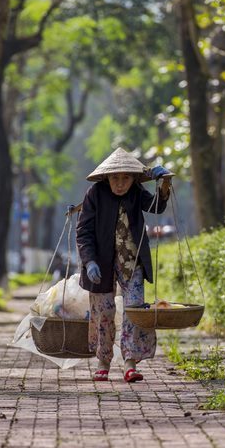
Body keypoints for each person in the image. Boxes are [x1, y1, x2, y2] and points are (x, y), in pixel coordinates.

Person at [76, 147, 172, 383]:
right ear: (107, 177)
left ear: (133, 178)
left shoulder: (137, 192)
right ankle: (103, 361)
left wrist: (165, 183)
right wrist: (89, 262)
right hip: (101, 264)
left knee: (134, 312)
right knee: (105, 312)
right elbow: (83, 231)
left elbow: (156, 207)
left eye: (126, 178)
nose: (120, 184)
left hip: (132, 263)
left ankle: (130, 363)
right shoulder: (95, 194)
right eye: (115, 178)